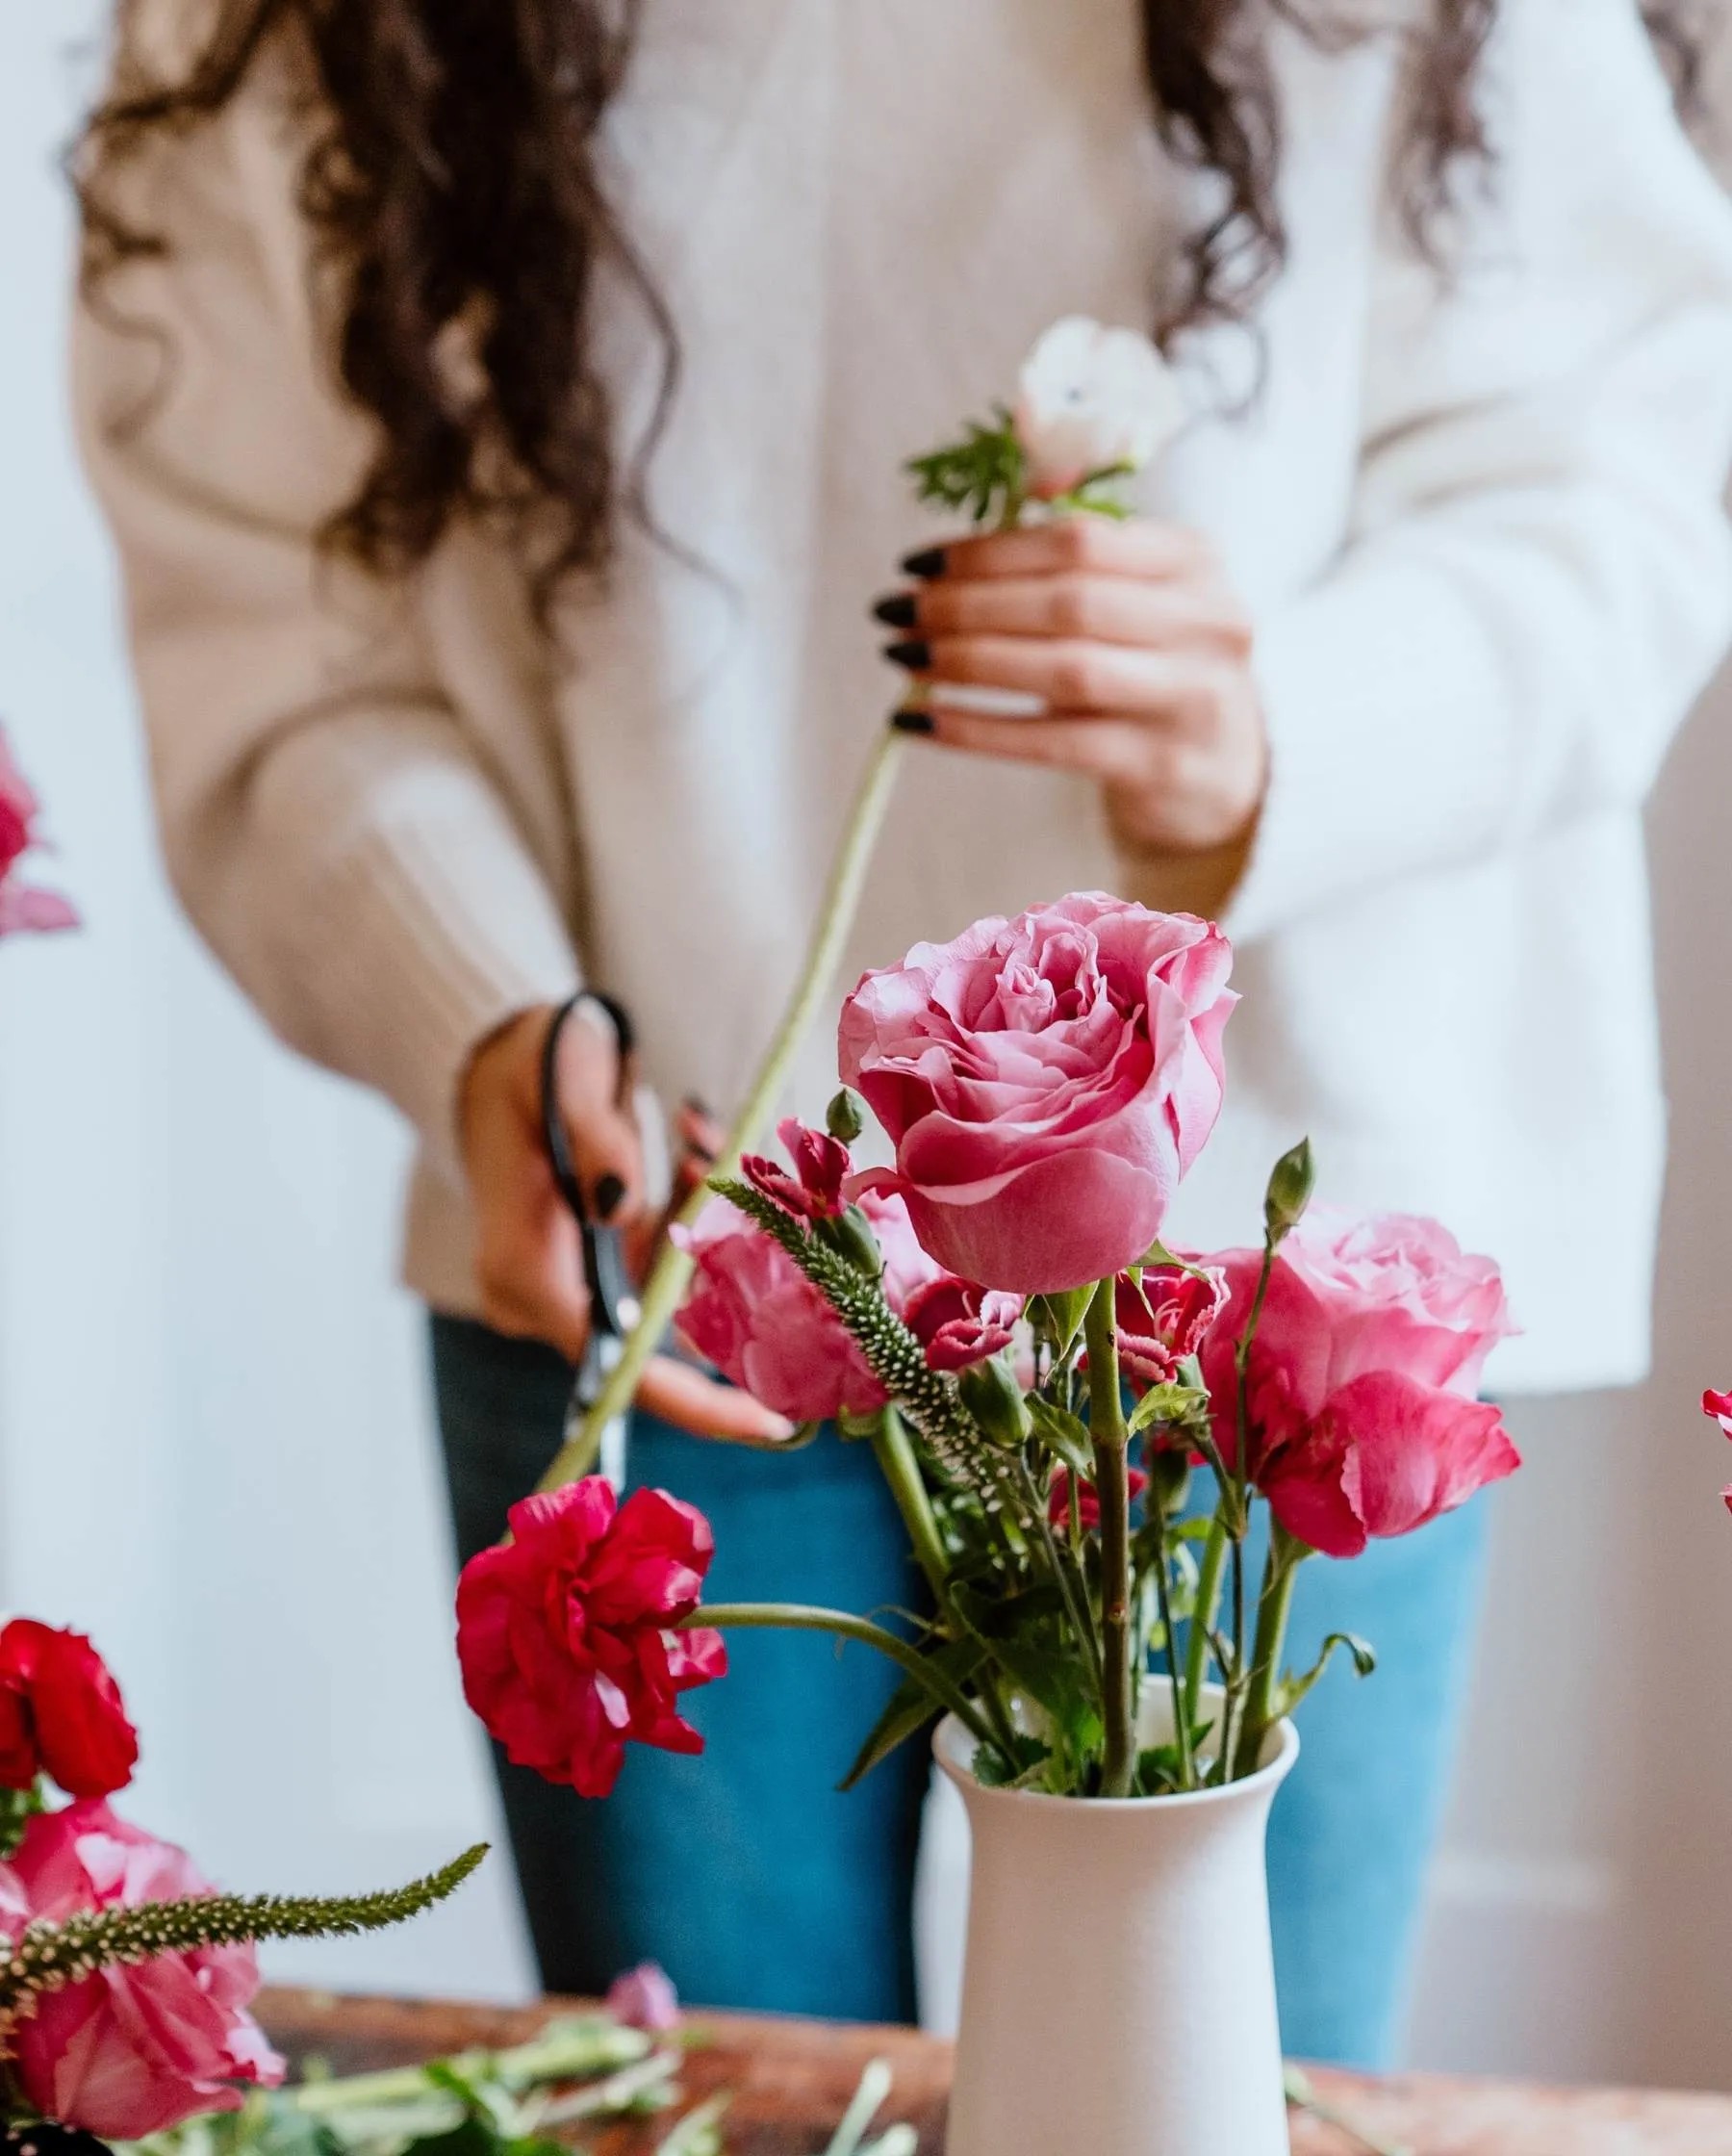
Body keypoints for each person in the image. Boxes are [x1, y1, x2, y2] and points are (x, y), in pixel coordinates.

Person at [70, 0, 1732, 2066]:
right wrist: (491, 1027)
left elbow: (1626, 447)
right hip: (672, 1241)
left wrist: (1289, 731)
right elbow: (275, 616)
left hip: (1270, 1285)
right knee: (733, 2098)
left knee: (1229, 2101)